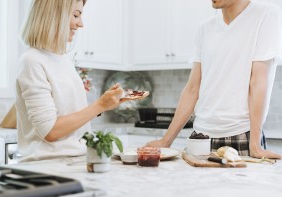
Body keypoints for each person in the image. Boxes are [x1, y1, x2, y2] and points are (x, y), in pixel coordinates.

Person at [147, 0, 282, 159]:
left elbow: (258, 82)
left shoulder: (265, 14)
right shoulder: (205, 28)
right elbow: (192, 89)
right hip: (199, 136)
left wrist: (255, 145)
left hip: (240, 134)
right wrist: (165, 141)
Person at [16, 0, 124, 162]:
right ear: (54, 15)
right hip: (47, 166)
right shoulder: (32, 60)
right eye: (75, 15)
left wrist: (106, 103)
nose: (80, 24)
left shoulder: (63, 59)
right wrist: (100, 105)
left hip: (75, 160)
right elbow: (50, 131)